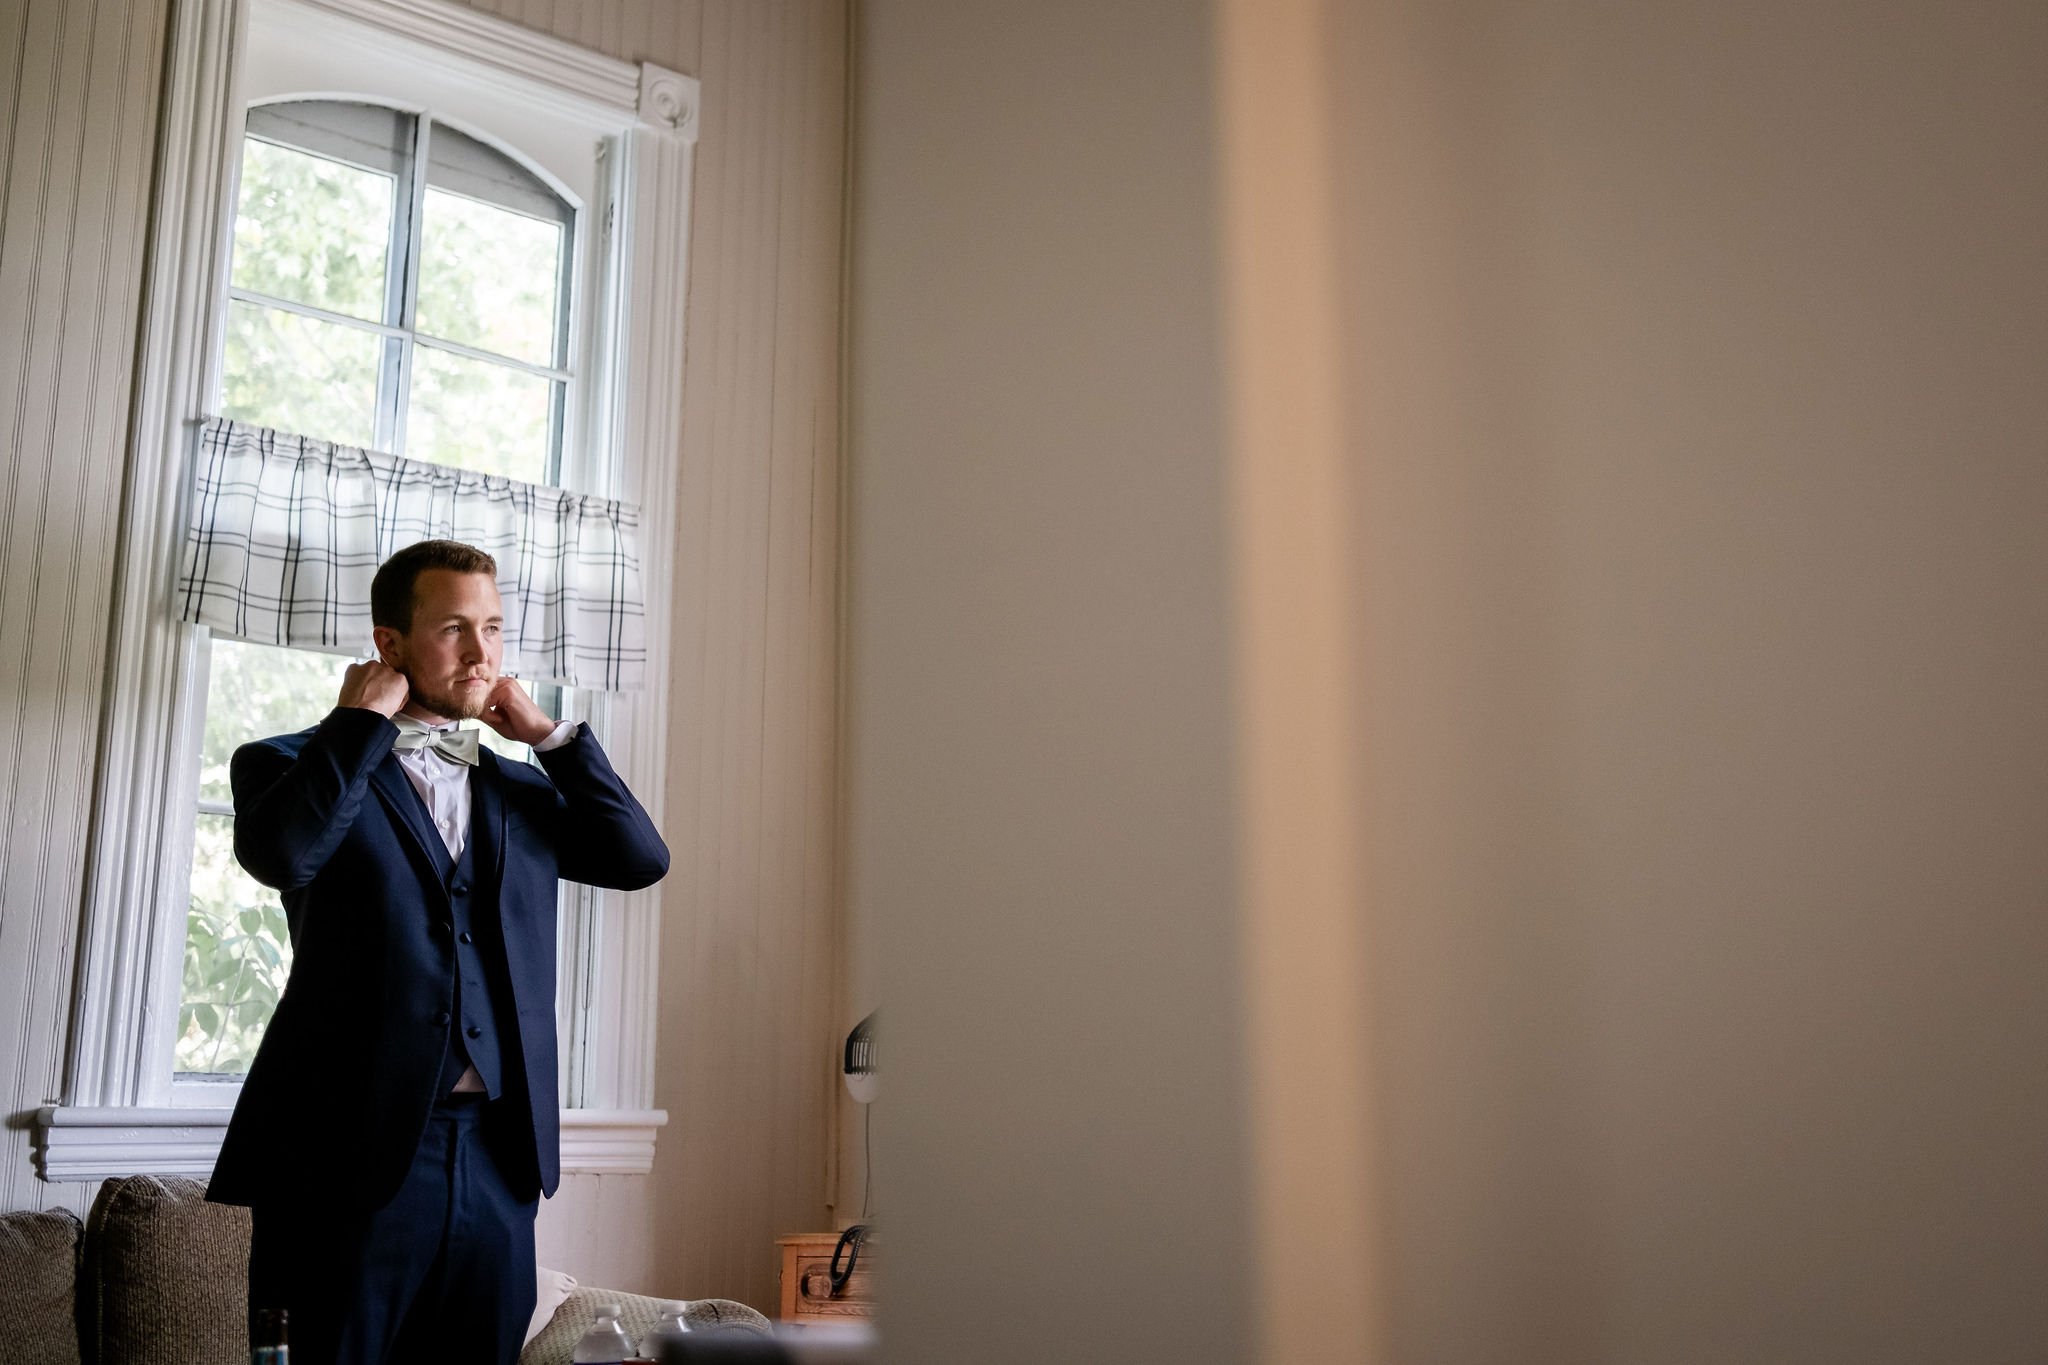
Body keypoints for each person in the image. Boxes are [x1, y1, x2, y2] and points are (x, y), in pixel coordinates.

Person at [206, 539, 669, 1365]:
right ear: (390, 644)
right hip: (344, 1161)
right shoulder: (287, 765)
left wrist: (551, 735)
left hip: (499, 1156)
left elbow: (641, 858)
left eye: (493, 627)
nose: (482, 651)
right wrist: (357, 724)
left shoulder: (522, 790)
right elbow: (285, 854)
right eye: (454, 627)